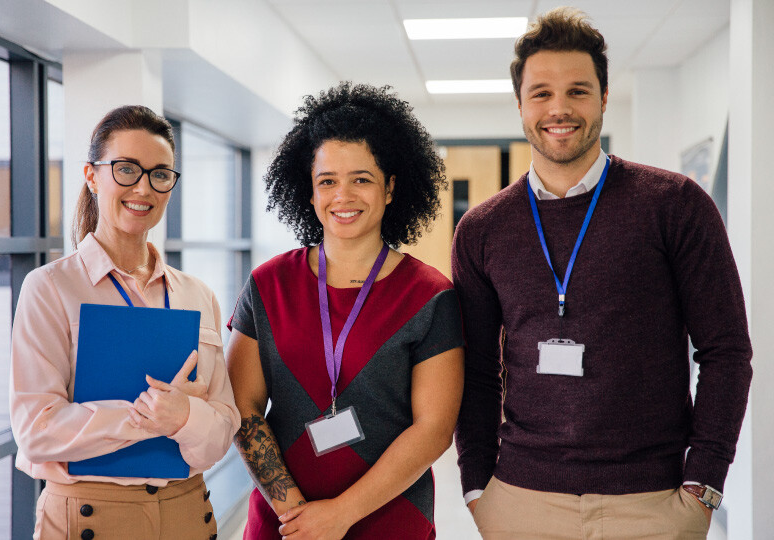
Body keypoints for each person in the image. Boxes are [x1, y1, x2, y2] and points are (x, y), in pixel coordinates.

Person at [452, 7, 753, 539]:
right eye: (541, 92)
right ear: (520, 104)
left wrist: (704, 483)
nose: (559, 108)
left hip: (652, 503)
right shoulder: (482, 229)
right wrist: (477, 486)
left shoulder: (676, 205)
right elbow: (475, 371)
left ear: (604, 98)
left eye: (579, 90)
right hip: (521, 501)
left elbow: (727, 352)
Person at [225, 82, 464, 539]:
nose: (343, 195)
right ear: (310, 192)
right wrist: (296, 514)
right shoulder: (268, 284)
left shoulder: (430, 295)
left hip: (390, 519)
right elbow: (243, 406)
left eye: (362, 179)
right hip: (284, 524)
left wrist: (340, 514)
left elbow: (433, 429)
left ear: (391, 187)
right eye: (327, 181)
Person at [10, 105, 241, 540]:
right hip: (89, 516)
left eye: (160, 174)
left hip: (188, 511)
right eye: (126, 169)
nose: (144, 187)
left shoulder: (197, 294)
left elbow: (224, 428)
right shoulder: (50, 288)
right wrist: (151, 417)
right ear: (92, 176)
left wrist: (187, 416)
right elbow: (35, 431)